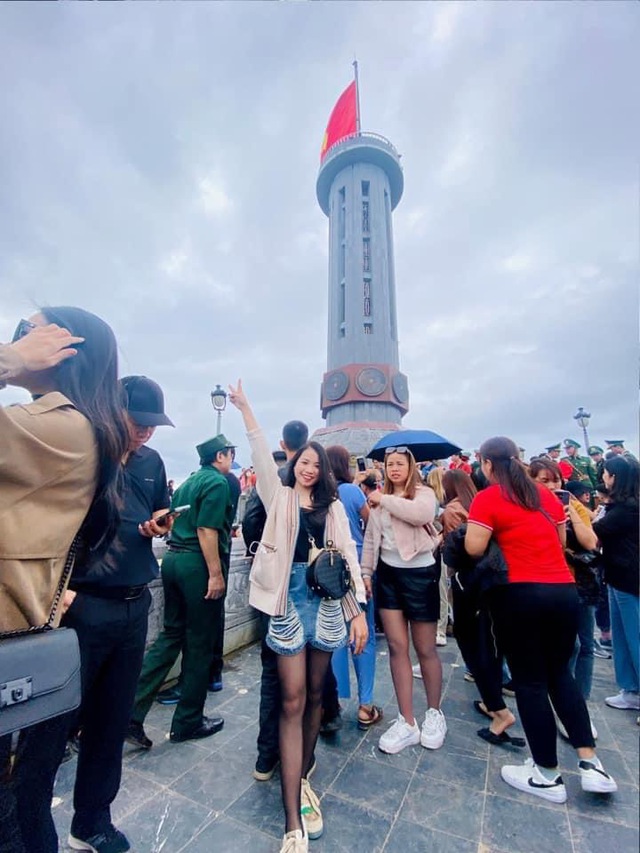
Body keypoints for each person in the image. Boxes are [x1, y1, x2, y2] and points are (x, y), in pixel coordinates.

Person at [0, 308, 129, 853]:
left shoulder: (64, 428)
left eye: (35, 330)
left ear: (69, 352)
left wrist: (9, 362)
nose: (19, 337)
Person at [229, 381, 368, 853]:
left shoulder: (332, 509)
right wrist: (247, 408)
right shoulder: (279, 496)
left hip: (327, 606)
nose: (309, 469)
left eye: (316, 464)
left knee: (313, 697)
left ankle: (305, 779)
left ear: (325, 470)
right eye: (302, 462)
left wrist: (357, 613)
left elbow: (348, 558)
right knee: (290, 701)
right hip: (288, 602)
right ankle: (292, 818)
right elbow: (260, 455)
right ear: (295, 465)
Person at [465, 436, 616, 803]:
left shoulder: (489, 497)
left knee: (531, 682)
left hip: (520, 594)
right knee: (559, 675)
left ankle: (546, 773)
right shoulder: (545, 496)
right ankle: (590, 763)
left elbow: (473, 547)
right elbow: (559, 538)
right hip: (563, 592)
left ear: (486, 464)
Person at [61, 376, 173, 853]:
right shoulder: (87, 455)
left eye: (153, 425)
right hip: (84, 606)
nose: (146, 433)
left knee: (110, 721)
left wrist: (159, 524)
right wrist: (65, 595)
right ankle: (21, 816)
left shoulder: (152, 462)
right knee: (57, 721)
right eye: (138, 422)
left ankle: (91, 820)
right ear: (113, 411)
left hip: (134, 603)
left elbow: (163, 512)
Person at [127, 434, 235, 745]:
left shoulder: (188, 482)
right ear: (220, 456)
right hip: (197, 565)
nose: (230, 460)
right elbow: (206, 528)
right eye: (229, 454)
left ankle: (130, 713)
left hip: (174, 560)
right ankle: (187, 721)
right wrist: (215, 574)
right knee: (200, 644)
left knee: (171, 635)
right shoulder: (216, 483)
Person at [361, 447, 447, 755]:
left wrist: (383, 499)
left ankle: (434, 713)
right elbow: (372, 539)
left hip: (420, 574)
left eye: (400, 464)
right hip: (389, 576)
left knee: (424, 648)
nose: (395, 468)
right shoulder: (380, 502)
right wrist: (366, 574)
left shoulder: (422, 494)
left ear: (411, 467)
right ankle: (406, 719)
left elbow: (422, 515)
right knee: (397, 647)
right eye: (390, 464)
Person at [242, 421, 310, 783]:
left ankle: (267, 755)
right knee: (305, 674)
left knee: (273, 672)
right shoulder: (316, 485)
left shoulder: (275, 479)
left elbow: (250, 521)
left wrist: (263, 552)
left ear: (284, 443)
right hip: (304, 591)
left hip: (274, 588)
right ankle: (300, 750)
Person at [528, 458, 600, 737]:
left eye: (555, 480)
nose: (551, 486)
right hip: (548, 584)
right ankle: (562, 704)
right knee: (562, 649)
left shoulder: (574, 505)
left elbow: (590, 541)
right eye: (544, 480)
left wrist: (570, 516)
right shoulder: (528, 506)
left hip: (580, 583)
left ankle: (579, 705)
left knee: (585, 645)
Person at [326, 445, 382, 730]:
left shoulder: (323, 492)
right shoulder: (350, 491)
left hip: (331, 572)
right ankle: (365, 705)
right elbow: (372, 523)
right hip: (359, 567)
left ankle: (333, 701)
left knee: (335, 636)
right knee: (364, 635)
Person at [593, 456, 639, 711]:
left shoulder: (627, 510)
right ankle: (630, 689)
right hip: (616, 577)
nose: (603, 478)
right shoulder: (621, 507)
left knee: (634, 637)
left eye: (607, 474)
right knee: (622, 636)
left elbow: (594, 534)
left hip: (628, 580)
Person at [425, 467, 448, 646]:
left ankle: (440, 628)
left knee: (440, 587)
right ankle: (439, 627)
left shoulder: (432, 498)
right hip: (436, 547)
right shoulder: (435, 498)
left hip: (435, 547)